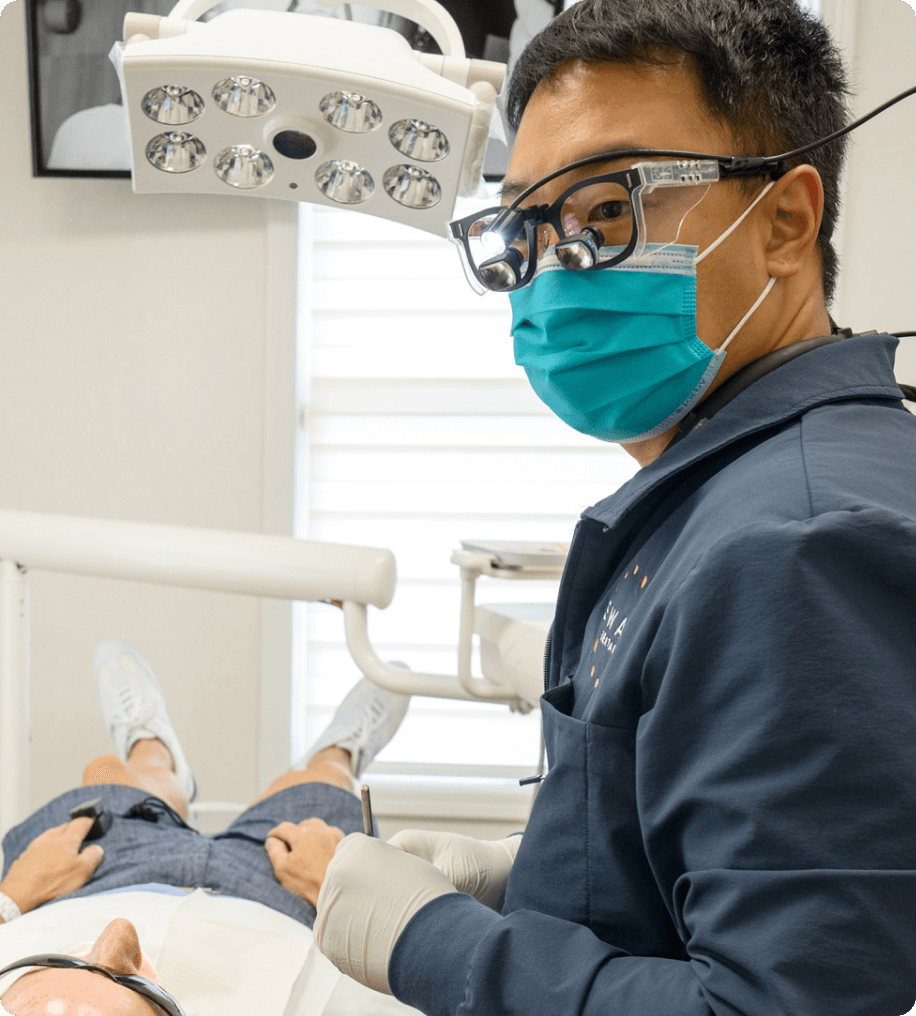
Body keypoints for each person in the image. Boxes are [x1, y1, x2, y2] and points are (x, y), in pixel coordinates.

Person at [308, 2, 916, 1014]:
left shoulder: (797, 543)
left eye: (605, 206)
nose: (551, 266)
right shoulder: (728, 490)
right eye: (523, 224)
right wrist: (545, 864)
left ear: (784, 223)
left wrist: (442, 944)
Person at [0, 638, 419, 1016]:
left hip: (82, 882)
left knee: (108, 772)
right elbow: (423, 986)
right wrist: (349, 902)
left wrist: (11, 897)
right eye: (130, 983)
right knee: (321, 785)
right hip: (290, 902)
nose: (118, 934)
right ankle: (340, 750)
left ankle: (151, 748)